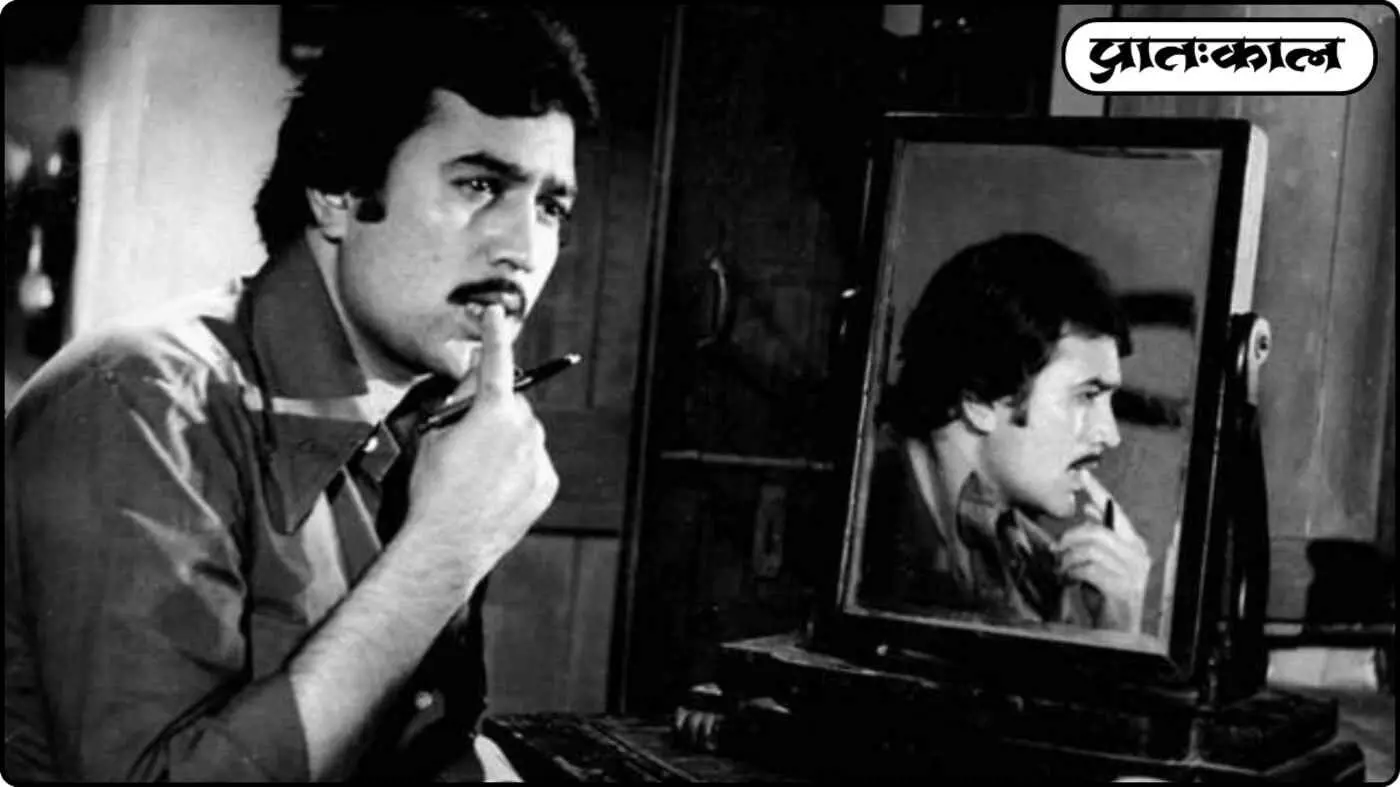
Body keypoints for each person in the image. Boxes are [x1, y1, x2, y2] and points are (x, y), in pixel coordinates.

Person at [4, 7, 597, 781]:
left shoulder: (427, 421)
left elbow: (416, 745)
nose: (523, 248)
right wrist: (443, 550)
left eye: (551, 207)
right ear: (337, 191)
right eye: (481, 185)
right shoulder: (145, 401)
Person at [858, 234, 1151, 633]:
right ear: (979, 402)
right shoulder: (860, 542)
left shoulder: (1027, 559)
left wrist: (1114, 626)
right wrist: (1117, 638)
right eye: (1086, 396)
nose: (1111, 435)